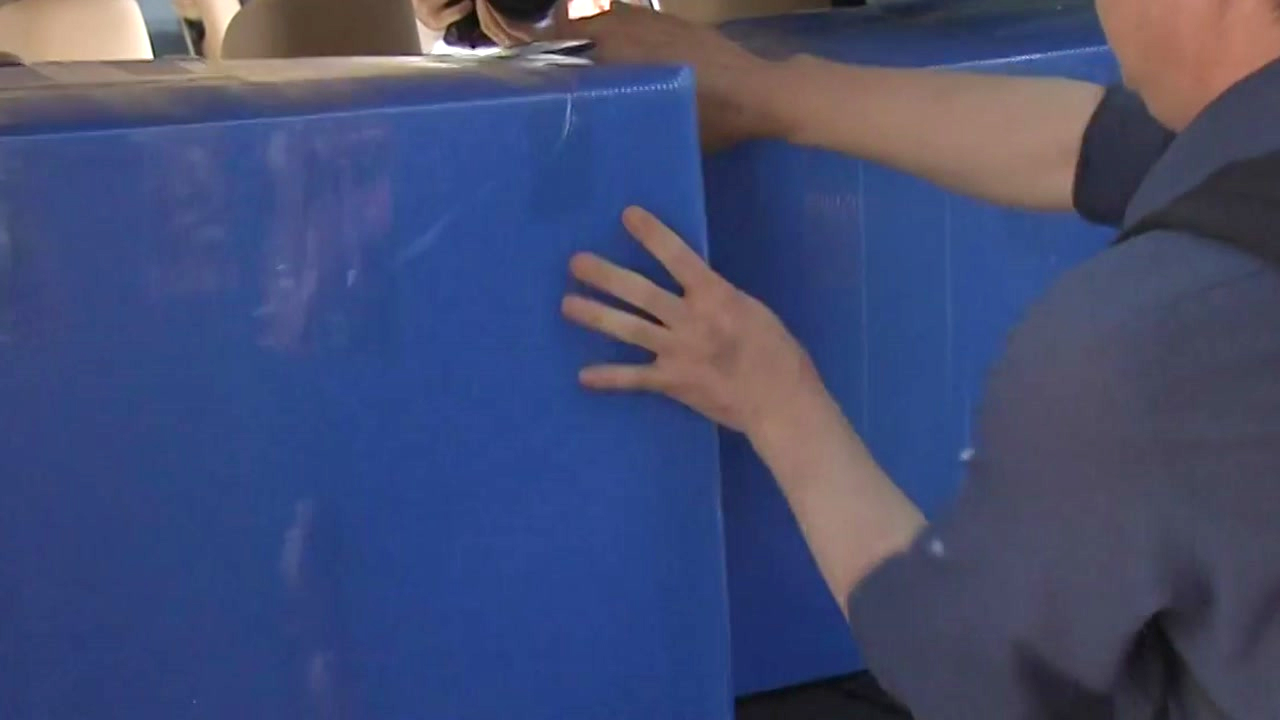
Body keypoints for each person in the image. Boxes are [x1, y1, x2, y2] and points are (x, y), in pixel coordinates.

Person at [423, 0, 1280, 716]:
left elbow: (967, 670)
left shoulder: (1129, 352)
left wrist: (776, 398)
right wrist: (767, 94)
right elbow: (1101, 147)